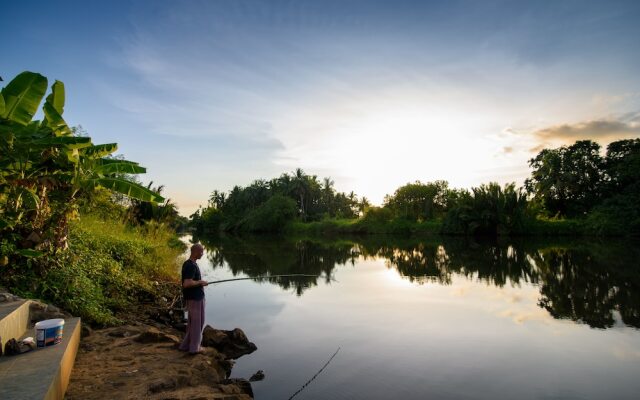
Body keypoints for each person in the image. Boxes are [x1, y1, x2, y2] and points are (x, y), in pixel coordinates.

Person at [178, 243, 208, 354]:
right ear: (195, 251)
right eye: (201, 251)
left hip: (195, 298)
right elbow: (187, 283)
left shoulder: (190, 263)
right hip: (195, 299)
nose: (202, 253)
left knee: (193, 323)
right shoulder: (190, 265)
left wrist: (199, 283)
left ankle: (186, 345)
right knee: (197, 323)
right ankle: (195, 348)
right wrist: (200, 282)